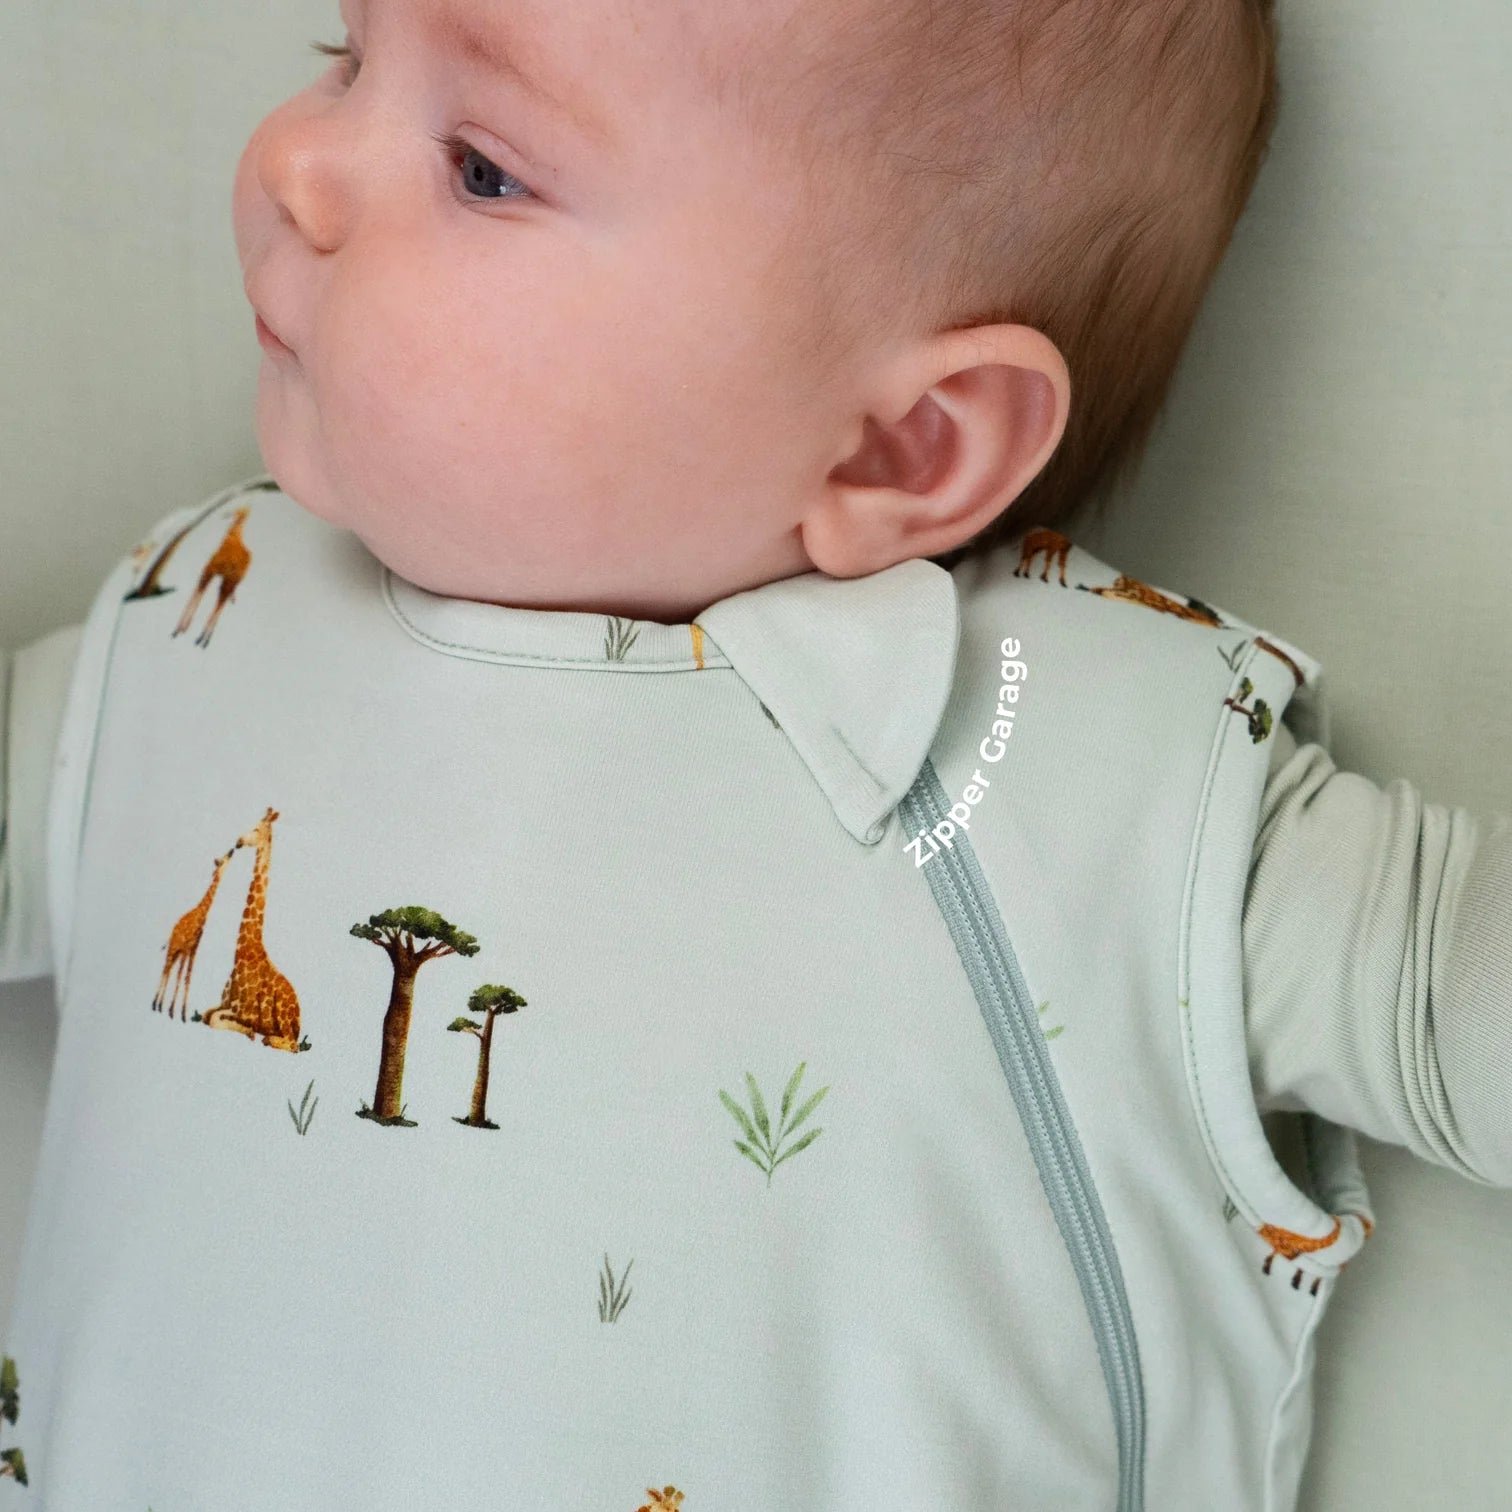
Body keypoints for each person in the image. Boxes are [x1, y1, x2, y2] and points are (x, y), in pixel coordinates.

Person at [1, 0, 1507, 1506]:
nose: (297, 164)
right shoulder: (187, 622)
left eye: (482, 168)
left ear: (904, 445)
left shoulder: (1069, 770)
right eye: (342, 56)